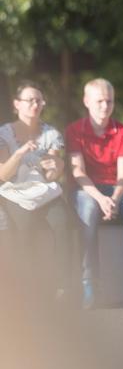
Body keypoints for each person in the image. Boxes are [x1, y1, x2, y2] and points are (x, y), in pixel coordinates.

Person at [66, 78, 123, 308]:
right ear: (86, 101)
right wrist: (101, 198)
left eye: (109, 101)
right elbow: (78, 172)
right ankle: (89, 281)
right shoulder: (74, 131)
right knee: (87, 208)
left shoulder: (122, 132)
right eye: (99, 101)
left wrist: (113, 199)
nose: (105, 106)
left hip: (116, 187)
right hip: (88, 189)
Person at [0, 81, 73, 297]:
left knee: (62, 222)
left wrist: (57, 167)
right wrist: (20, 153)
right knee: (23, 227)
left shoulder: (52, 134)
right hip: (15, 191)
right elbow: (3, 174)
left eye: (39, 100)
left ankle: (63, 286)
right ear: (17, 104)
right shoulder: (4, 134)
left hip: (44, 192)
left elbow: (51, 176)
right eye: (30, 100)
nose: (36, 104)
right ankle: (28, 291)